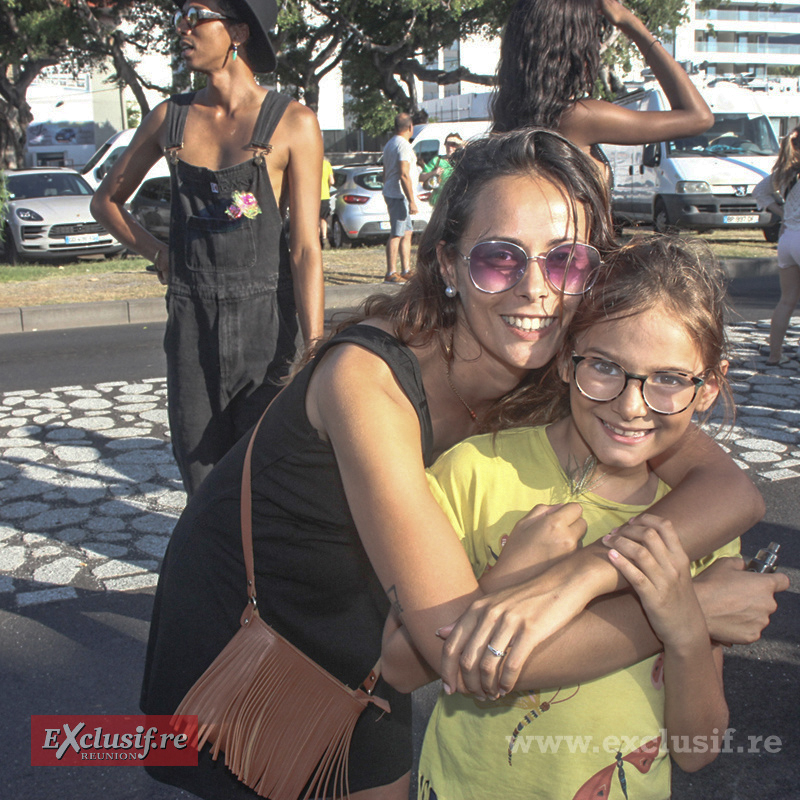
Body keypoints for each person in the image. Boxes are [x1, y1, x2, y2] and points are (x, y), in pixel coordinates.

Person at [140, 130, 784, 800]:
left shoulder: (565, 372)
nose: (536, 290)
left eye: (565, 261)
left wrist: (582, 573)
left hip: (379, 636)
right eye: (500, 260)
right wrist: (685, 610)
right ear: (448, 264)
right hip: (255, 636)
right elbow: (463, 653)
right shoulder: (368, 383)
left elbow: (729, 491)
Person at [412, 235, 739, 799]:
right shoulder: (473, 471)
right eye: (606, 367)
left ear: (708, 387)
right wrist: (511, 577)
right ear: (566, 359)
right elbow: (404, 659)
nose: (632, 405)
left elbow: (696, 750)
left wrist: (686, 625)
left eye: (668, 379)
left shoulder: (701, 529)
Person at [91, 0, 325, 496]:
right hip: (191, 323)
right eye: (180, 15)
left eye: (196, 15)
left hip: (269, 325)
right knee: (201, 478)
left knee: (267, 474)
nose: (183, 27)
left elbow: (305, 248)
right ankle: (210, 571)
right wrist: (159, 253)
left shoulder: (294, 123)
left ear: (237, 31)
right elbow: (105, 202)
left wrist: (317, 344)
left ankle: (264, 573)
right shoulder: (168, 119)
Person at [491, 0, 713, 176]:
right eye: (591, 35)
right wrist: (633, 26)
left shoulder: (508, 116)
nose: (596, 46)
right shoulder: (580, 117)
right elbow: (699, 117)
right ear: (572, 47)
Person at [753, 125, 800, 365]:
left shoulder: (787, 171)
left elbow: (760, 191)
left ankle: (775, 355)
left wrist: (781, 212)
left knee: (787, 300)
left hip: (788, 238)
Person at [382, 112, 418, 283]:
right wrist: (412, 200)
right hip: (399, 195)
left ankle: (406, 269)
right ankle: (391, 272)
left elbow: (385, 171)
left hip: (395, 193)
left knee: (407, 232)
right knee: (397, 233)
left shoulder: (390, 144)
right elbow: (404, 174)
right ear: (410, 127)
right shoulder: (402, 145)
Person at [420, 133, 464, 206]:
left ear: (458, 146)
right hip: (437, 202)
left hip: (455, 202)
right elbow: (421, 177)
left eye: (453, 144)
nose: (450, 148)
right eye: (448, 144)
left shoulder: (462, 161)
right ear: (445, 145)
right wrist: (433, 173)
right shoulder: (437, 160)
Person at [320, 154, 334, 247]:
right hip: (324, 195)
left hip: (312, 195)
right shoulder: (327, 164)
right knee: (323, 218)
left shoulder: (311, 164)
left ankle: (316, 239)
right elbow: (332, 181)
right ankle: (324, 238)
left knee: (314, 219)